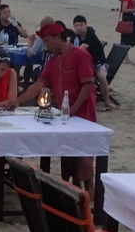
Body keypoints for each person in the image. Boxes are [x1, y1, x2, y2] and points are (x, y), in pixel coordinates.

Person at [7, 22, 97, 192]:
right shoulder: (54, 60)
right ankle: (74, 187)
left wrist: (75, 108)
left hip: (83, 111)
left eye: (47, 41)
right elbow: (39, 84)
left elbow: (88, 85)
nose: (46, 45)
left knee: (84, 154)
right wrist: (18, 100)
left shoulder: (80, 55)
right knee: (68, 151)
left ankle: (90, 191)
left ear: (58, 38)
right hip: (64, 111)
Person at [71, 15, 117, 110]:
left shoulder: (90, 35)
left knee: (101, 77)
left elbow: (80, 49)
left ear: (86, 25)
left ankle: (107, 101)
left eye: (81, 25)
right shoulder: (76, 37)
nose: (79, 27)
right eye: (76, 26)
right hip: (87, 65)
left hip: (99, 64)